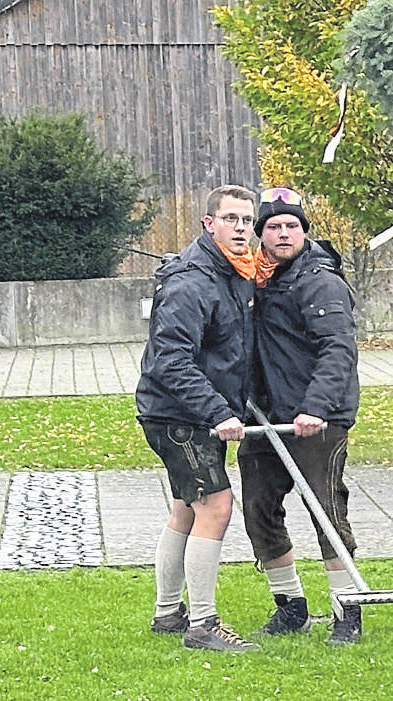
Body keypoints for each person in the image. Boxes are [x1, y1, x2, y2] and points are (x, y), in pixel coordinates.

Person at [234, 187, 364, 644]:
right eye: (273, 226)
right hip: (263, 416)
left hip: (315, 418)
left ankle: (348, 611)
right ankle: (291, 607)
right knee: (258, 510)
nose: (283, 233)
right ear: (260, 235)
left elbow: (337, 349)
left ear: (304, 232)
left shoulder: (319, 280)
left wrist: (316, 406)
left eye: (291, 225)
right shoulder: (256, 278)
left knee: (326, 510)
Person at [137, 185, 262, 652]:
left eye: (247, 221)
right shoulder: (193, 282)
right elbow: (172, 361)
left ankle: (168, 613)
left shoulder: (231, 273)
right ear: (208, 223)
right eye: (230, 219)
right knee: (216, 506)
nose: (241, 229)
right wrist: (219, 412)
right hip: (179, 415)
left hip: (190, 412)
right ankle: (203, 624)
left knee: (187, 507)